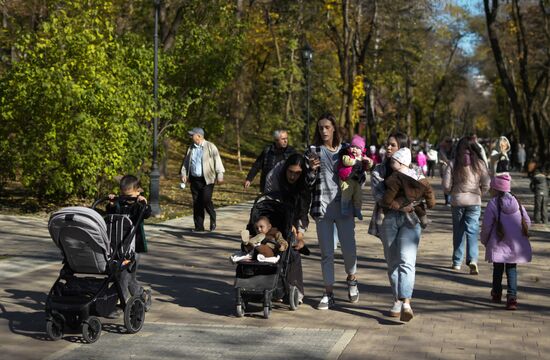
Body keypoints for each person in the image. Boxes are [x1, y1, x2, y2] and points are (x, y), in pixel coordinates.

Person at [306, 113, 366, 310]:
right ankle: (328, 293)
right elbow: (307, 184)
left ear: (334, 129)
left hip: (344, 207)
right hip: (322, 208)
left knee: (349, 251)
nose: (323, 131)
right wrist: (311, 171)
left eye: (327, 127)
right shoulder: (313, 150)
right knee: (327, 254)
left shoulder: (347, 150)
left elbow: (360, 178)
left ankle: (352, 278)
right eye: (320, 128)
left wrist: (359, 168)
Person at [370, 132, 425, 322]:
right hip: (388, 220)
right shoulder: (379, 171)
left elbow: (423, 192)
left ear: (402, 148)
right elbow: (379, 196)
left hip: (411, 220)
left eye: (393, 145)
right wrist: (403, 204)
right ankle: (397, 299)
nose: (388, 148)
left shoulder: (416, 170)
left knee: (407, 260)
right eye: (387, 145)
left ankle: (406, 302)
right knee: (393, 262)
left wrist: (411, 203)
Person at [263, 153, 312, 302]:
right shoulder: (274, 176)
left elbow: (303, 214)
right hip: (272, 219)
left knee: (293, 251)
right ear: (285, 169)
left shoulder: (304, 184)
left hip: (292, 220)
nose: (292, 176)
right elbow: (268, 204)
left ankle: (294, 288)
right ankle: (271, 285)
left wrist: (300, 236)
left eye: (297, 173)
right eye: (290, 172)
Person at [480, 173, 532, 310]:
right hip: (514, 244)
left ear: (496, 190)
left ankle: (496, 293)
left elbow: (486, 226)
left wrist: (484, 240)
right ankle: (512, 298)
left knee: (497, 269)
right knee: (512, 269)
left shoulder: (493, 204)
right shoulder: (517, 202)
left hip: (498, 243)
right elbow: (527, 221)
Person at [442, 136, 491, 274]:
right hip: (474, 201)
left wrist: (452, 192)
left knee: (458, 231)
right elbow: (487, 184)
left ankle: (457, 262)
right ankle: (473, 260)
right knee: (472, 231)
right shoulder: (480, 164)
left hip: (457, 200)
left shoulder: (453, 163)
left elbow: (446, 186)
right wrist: (479, 193)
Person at [106, 175, 152, 308]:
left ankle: (123, 300)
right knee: (130, 279)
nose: (126, 199)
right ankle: (143, 295)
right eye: (123, 195)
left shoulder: (138, 205)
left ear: (139, 191)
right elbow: (111, 215)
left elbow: (146, 213)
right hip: (118, 246)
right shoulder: (120, 204)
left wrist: (144, 204)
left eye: (130, 196)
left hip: (133, 248)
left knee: (124, 276)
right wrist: (112, 204)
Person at [180, 127, 225, 232]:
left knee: (205, 200)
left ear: (199, 136)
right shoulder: (191, 148)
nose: (191, 137)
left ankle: (212, 216)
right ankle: (199, 226)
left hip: (207, 179)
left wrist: (220, 175)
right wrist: (184, 174)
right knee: (197, 202)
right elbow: (186, 163)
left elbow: (217, 160)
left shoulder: (210, 146)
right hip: (195, 179)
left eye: (192, 135)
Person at [380, 148, 436, 229]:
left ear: (401, 163)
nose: (391, 164)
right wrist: (431, 202)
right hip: (416, 199)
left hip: (402, 199)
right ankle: (424, 221)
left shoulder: (395, 177)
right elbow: (428, 189)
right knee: (420, 208)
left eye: (393, 162)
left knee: (392, 204)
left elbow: (391, 191)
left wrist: (386, 201)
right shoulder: (416, 174)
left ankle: (381, 216)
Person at [338, 134, 370, 220]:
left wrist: (368, 161)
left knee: (358, 196)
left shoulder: (363, 157)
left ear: (362, 150)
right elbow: (346, 161)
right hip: (347, 180)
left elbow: (368, 165)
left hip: (357, 181)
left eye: (357, 148)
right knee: (346, 194)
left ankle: (357, 210)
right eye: (352, 147)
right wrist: (356, 161)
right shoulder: (347, 156)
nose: (354, 149)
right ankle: (344, 208)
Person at [438, 137, 454, 206]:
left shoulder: (454, 149)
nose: (449, 143)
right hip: (444, 168)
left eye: (450, 141)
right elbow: (439, 159)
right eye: (447, 141)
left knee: (451, 183)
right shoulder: (441, 150)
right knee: (445, 184)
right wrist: (444, 161)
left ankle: (450, 200)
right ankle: (447, 200)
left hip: (452, 168)